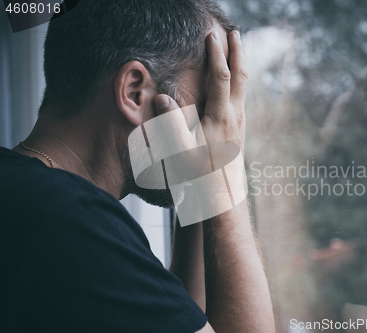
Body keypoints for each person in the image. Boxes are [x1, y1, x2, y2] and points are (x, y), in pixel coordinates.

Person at [0, 0, 275, 332]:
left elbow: (178, 317)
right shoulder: (72, 222)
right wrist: (224, 166)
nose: (217, 126)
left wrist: (201, 180)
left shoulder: (26, 196)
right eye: (206, 106)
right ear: (134, 92)